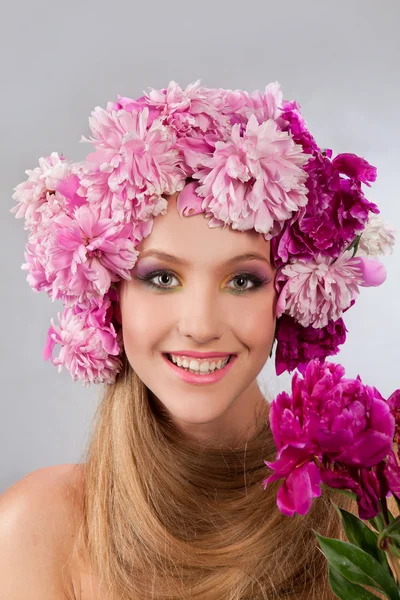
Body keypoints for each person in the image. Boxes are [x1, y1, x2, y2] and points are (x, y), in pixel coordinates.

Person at [2, 80, 396, 599]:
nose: (201, 325)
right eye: (162, 278)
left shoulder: (377, 505)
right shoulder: (35, 527)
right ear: (109, 296)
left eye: (243, 281)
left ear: (291, 296)